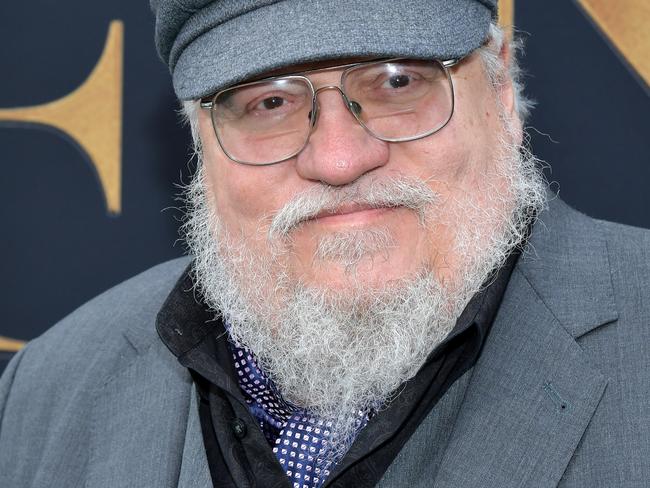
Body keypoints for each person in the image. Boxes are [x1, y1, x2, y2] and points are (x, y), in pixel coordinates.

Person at [1, 1, 649, 486]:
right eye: (269, 103)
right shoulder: (48, 394)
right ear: (200, 136)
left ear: (503, 92)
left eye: (398, 82)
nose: (339, 159)